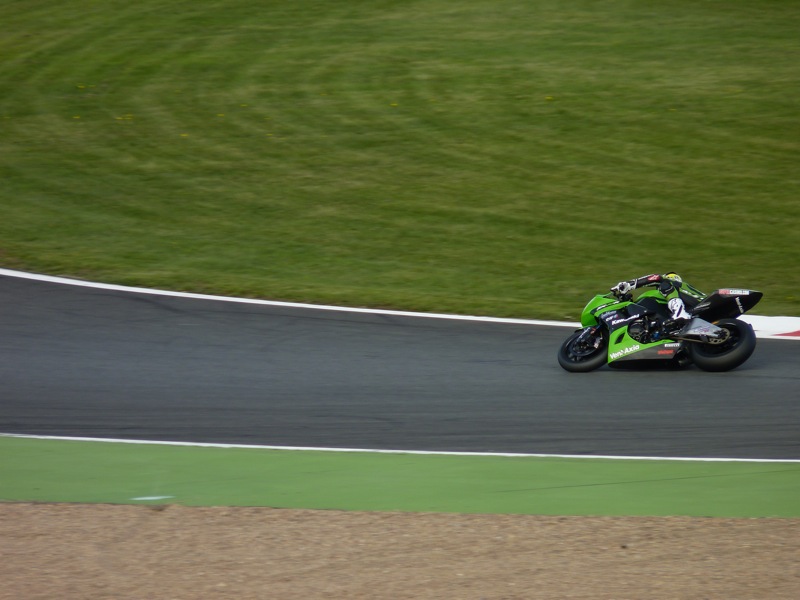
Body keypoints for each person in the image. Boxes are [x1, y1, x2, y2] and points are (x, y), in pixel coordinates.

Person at [610, 272, 705, 336]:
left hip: (697, 308)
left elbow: (657, 278)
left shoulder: (673, 284)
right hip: (697, 316)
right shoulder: (687, 290)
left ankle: (680, 313)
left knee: (664, 284)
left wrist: (628, 285)